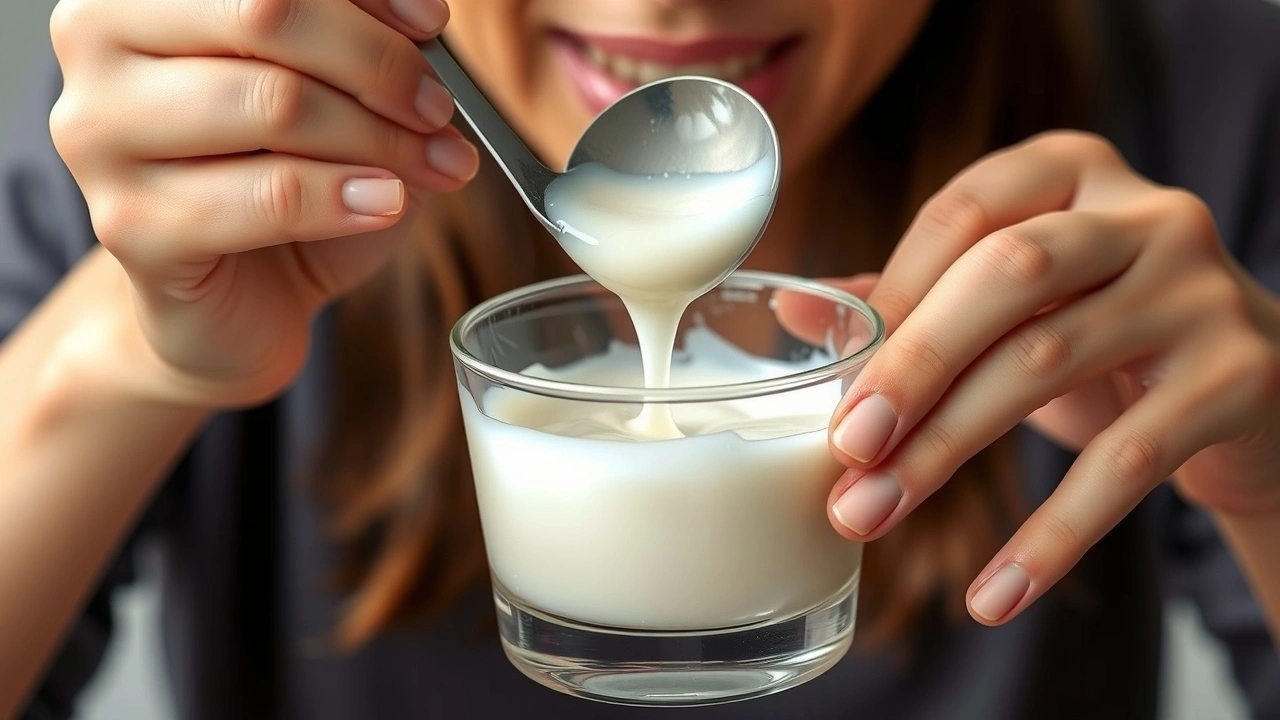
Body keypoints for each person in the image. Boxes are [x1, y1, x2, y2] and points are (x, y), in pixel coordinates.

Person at [2, 0, 1279, 717]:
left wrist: (1266, 480)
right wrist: (136, 356)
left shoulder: (1199, 110)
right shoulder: (204, 148)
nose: (676, 1)